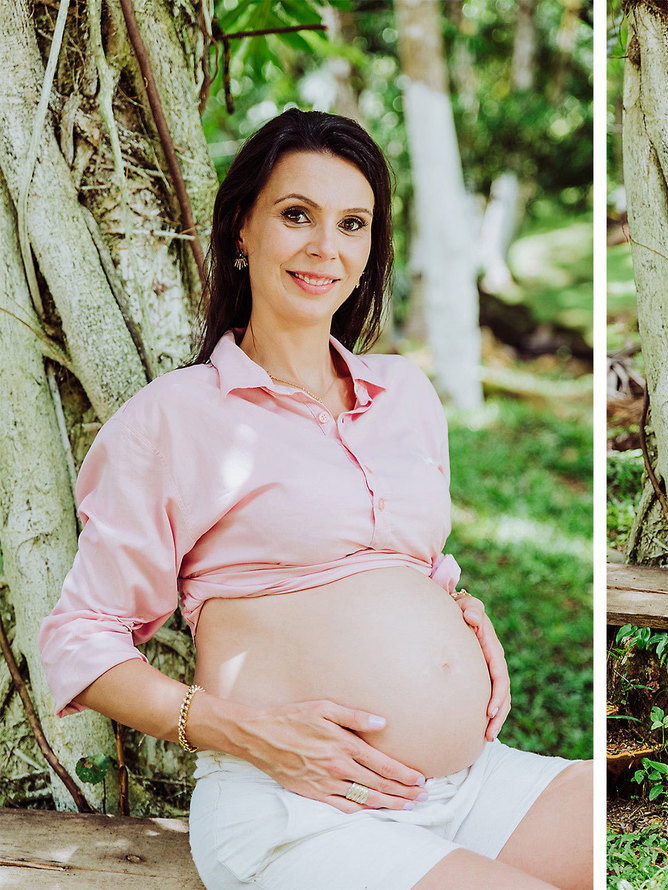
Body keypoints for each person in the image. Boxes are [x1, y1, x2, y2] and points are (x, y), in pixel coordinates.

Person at [39, 109, 591, 888]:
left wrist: (462, 617)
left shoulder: (404, 392)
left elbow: (410, 565)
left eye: (352, 223)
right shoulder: (176, 417)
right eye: (297, 214)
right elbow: (80, 640)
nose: (325, 247)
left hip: (471, 786)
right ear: (242, 228)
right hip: (298, 808)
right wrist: (248, 733)